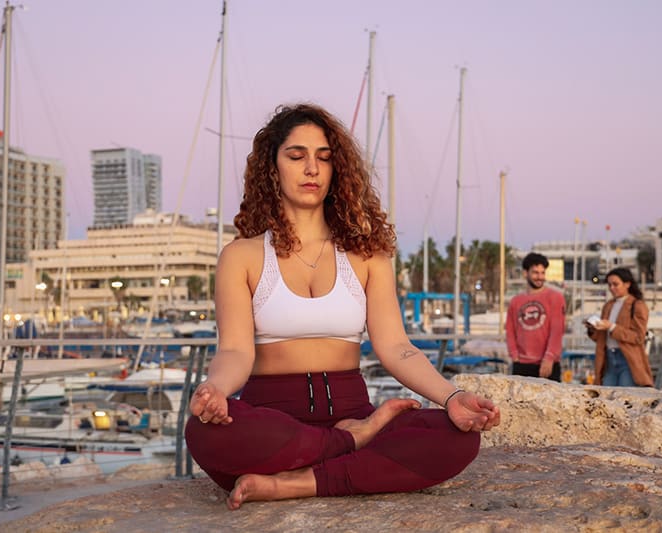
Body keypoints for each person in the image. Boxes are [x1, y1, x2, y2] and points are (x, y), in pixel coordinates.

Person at [185, 103, 500, 510]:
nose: (312, 169)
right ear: (272, 167)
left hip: (352, 408)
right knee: (205, 433)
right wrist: (216, 390)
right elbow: (235, 351)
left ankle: (297, 482)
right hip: (276, 421)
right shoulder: (241, 256)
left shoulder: (367, 254)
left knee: (456, 438)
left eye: (324, 158)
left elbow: (397, 348)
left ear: (337, 171)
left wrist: (452, 396)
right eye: (297, 156)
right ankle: (351, 445)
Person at [586, 267, 653, 387]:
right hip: (608, 358)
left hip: (627, 359)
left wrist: (612, 327)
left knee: (625, 397)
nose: (612, 288)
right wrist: (592, 328)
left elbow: (638, 337)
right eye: (610, 284)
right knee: (607, 397)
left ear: (627, 284)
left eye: (615, 284)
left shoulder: (637, 305)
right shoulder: (608, 306)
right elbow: (601, 338)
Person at [505, 252, 565, 381]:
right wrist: (514, 355)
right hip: (521, 364)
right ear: (525, 273)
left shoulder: (556, 297)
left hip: (547, 364)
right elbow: (510, 330)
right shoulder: (516, 301)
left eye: (542, 273)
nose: (540, 277)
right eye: (535, 273)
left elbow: (557, 331)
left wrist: (549, 357)